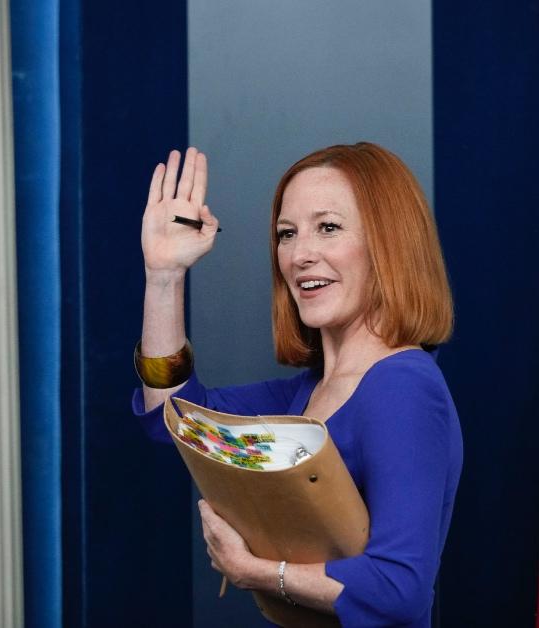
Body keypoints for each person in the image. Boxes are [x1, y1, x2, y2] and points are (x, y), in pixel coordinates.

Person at [131, 142, 462, 627]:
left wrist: (257, 572)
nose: (300, 255)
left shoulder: (403, 387)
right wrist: (163, 276)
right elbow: (172, 417)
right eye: (287, 234)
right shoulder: (305, 394)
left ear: (389, 242)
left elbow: (399, 592)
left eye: (328, 228)